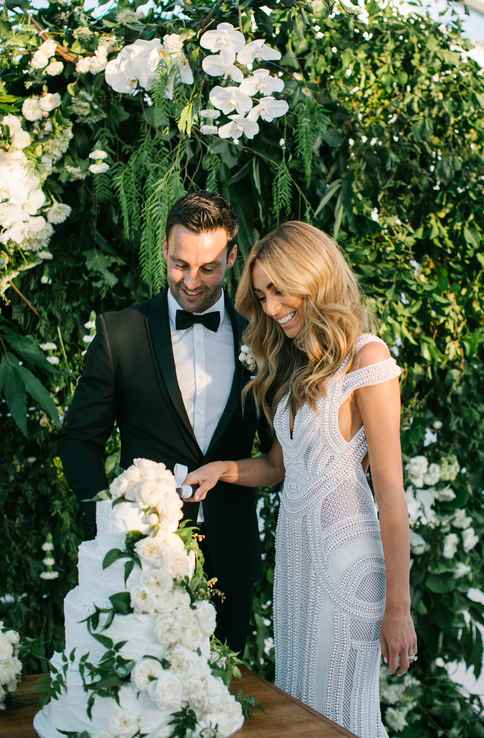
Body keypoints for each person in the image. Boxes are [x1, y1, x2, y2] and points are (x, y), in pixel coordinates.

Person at [185, 221, 417, 738]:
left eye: (279, 290)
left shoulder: (367, 359)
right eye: (263, 294)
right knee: (303, 714)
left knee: (343, 716)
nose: (270, 307)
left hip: (347, 568)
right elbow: (279, 467)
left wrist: (398, 609)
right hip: (297, 565)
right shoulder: (297, 369)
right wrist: (222, 469)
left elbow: (392, 495)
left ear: (313, 276)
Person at [59, 191, 271, 654]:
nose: (192, 281)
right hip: (141, 560)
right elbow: (79, 441)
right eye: (180, 265)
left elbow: (278, 452)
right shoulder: (121, 332)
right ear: (164, 250)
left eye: (208, 267)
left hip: (230, 560)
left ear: (233, 257)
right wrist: (111, 523)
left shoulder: (259, 339)